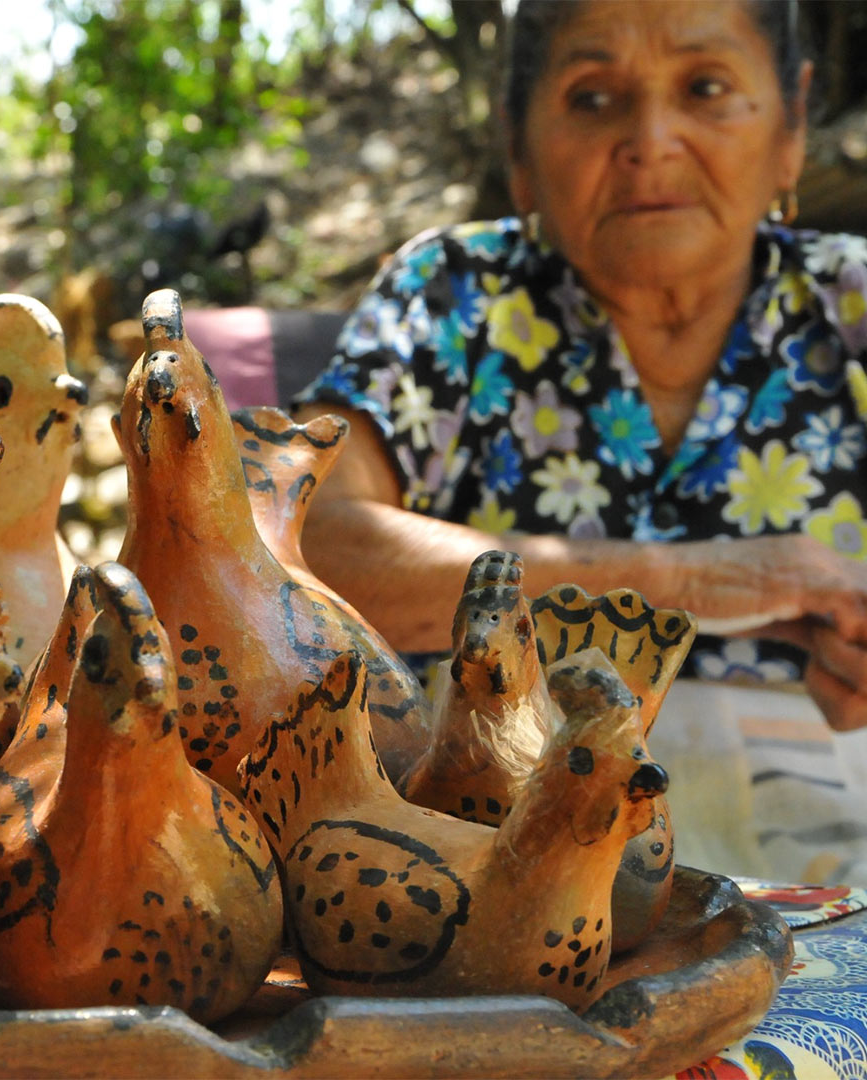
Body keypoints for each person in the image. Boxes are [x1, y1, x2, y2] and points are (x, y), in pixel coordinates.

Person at [292, 0, 867, 882]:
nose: (651, 139)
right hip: (481, 859)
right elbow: (306, 544)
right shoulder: (457, 297)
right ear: (520, 152)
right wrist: (695, 584)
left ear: (790, 128)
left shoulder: (852, 304)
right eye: (593, 99)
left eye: (706, 88)